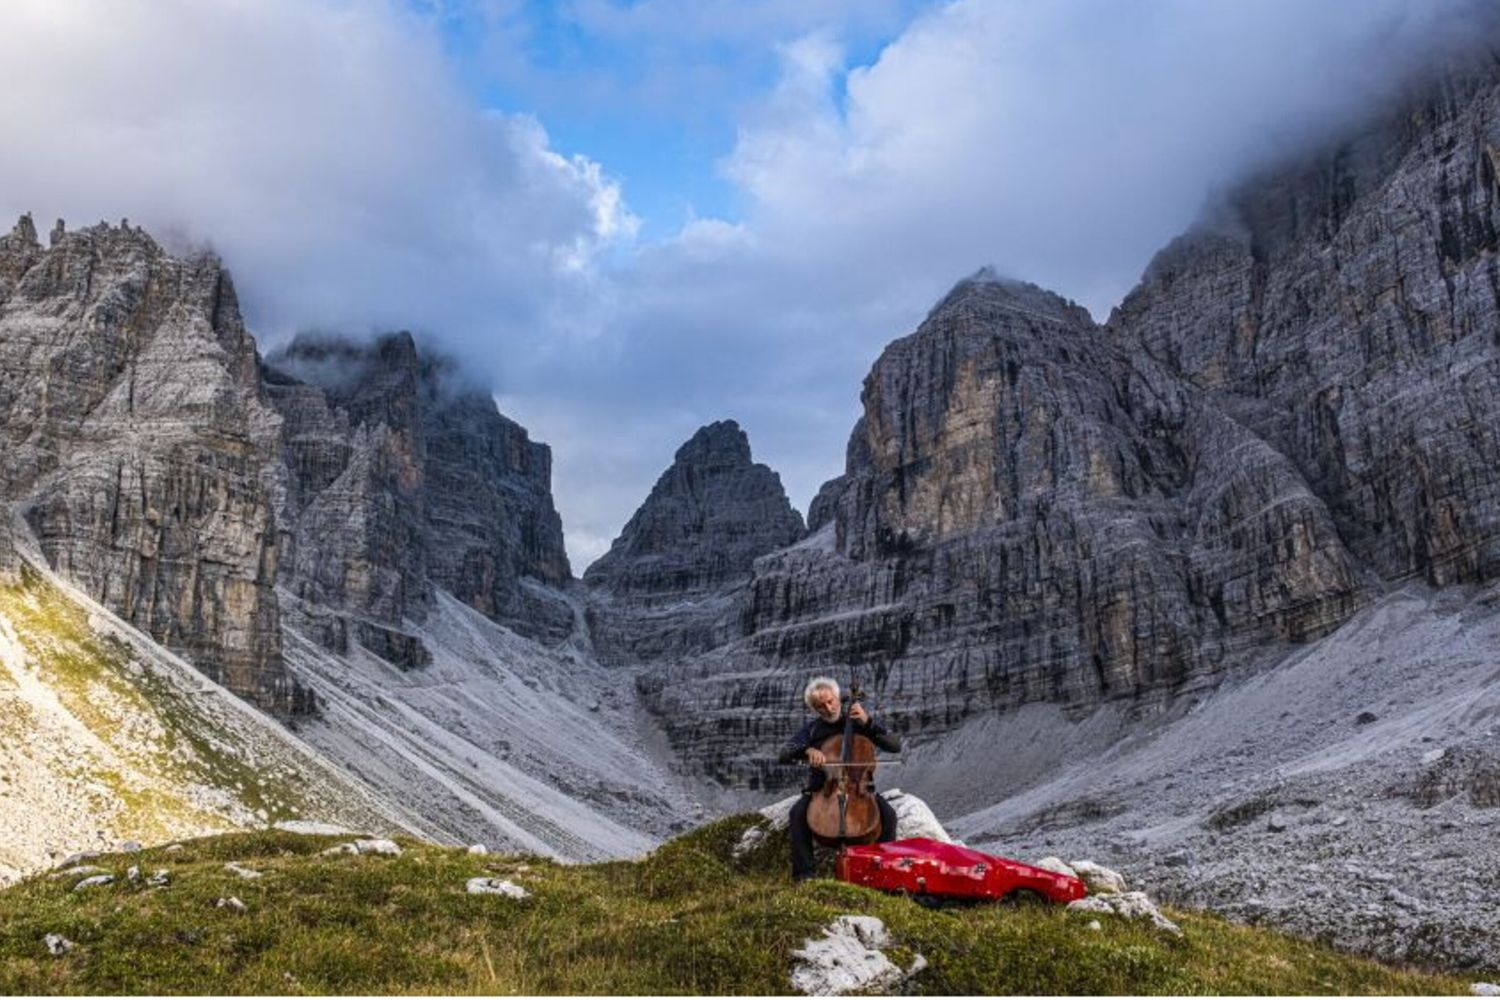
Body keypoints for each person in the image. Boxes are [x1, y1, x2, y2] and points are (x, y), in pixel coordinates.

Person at [777, 675, 902, 881]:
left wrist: (867, 721)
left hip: (860, 789)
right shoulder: (813, 729)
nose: (828, 708)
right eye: (821, 706)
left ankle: (885, 873)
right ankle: (804, 876)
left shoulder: (858, 720)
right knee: (797, 814)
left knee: (889, 816)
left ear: (837, 697)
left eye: (830, 701)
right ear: (815, 709)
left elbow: (895, 745)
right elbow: (785, 752)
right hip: (823, 789)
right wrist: (808, 750)